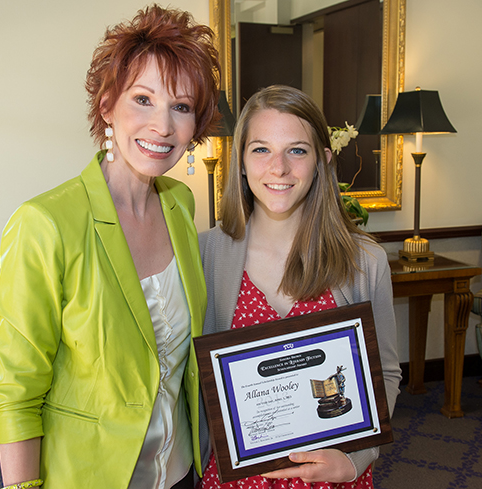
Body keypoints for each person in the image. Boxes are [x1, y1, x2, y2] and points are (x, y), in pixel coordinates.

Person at [0, 5, 220, 488]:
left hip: (179, 469)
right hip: (91, 476)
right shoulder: (46, 223)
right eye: (143, 99)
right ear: (107, 105)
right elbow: (17, 392)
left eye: (181, 107)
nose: (162, 125)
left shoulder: (181, 205)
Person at [197, 85, 402, 488]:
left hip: (331, 477)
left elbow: (387, 373)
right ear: (239, 160)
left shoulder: (365, 261)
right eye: (260, 149)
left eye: (296, 150)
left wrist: (357, 459)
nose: (279, 168)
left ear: (322, 160)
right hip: (235, 479)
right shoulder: (204, 254)